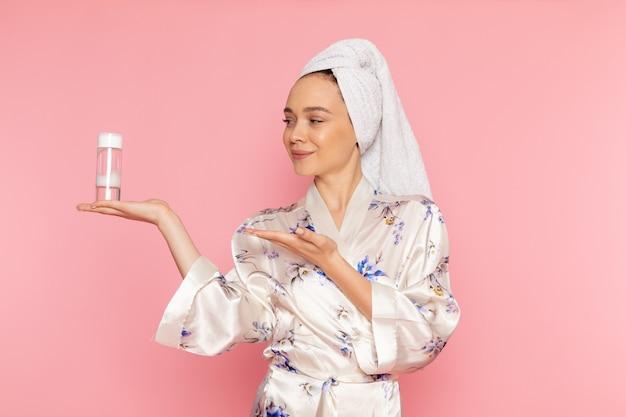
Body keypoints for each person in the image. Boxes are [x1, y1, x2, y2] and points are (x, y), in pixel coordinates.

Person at [76, 38, 461, 417]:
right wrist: (166, 220)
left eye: (316, 120)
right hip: (284, 406)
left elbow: (424, 340)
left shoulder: (415, 220)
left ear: (360, 125)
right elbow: (227, 319)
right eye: (289, 120)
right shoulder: (269, 229)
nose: (295, 134)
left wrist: (334, 264)